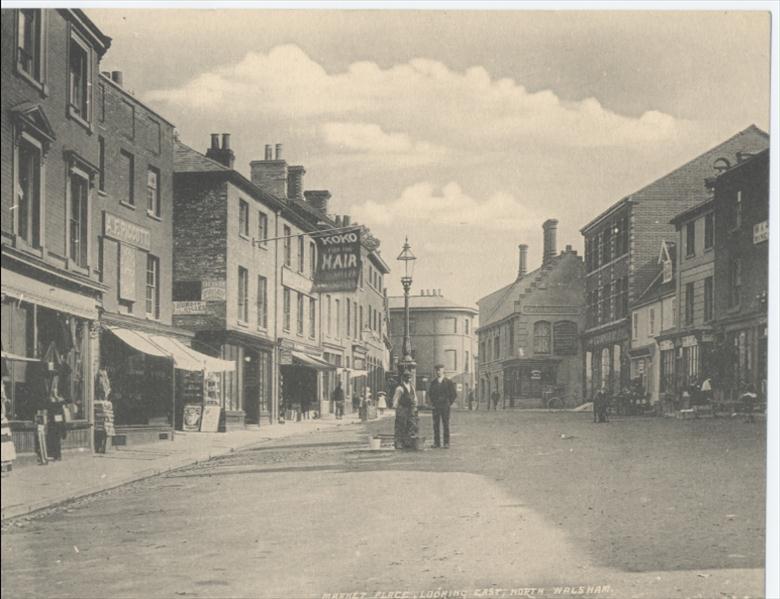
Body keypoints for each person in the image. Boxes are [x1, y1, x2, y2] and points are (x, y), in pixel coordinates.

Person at [428, 365, 457, 448]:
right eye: (437, 370)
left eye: (440, 370)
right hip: (436, 407)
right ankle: (436, 443)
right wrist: (433, 403)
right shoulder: (433, 383)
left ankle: (446, 443)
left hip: (445, 407)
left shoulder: (448, 382)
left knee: (446, 424)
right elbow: (430, 394)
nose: (438, 372)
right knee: (435, 425)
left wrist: (448, 403)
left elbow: (454, 394)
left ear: (443, 370)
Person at [392, 370, 418, 450]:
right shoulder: (400, 388)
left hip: (410, 409)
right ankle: (399, 442)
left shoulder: (412, 387)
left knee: (410, 424)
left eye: (410, 377)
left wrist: (415, 406)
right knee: (400, 425)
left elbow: (415, 398)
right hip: (402, 408)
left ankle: (408, 442)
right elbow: (396, 398)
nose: (409, 379)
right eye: (407, 377)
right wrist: (396, 407)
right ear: (403, 378)